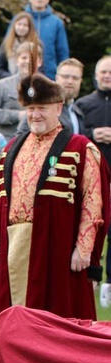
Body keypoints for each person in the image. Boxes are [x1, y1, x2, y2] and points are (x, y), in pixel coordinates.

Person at [0, 73, 109, 321]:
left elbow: (94, 203)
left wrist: (84, 250)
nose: (35, 115)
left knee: (56, 322)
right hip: (11, 249)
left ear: (58, 107)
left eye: (42, 108)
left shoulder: (81, 148)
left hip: (57, 250)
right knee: (11, 321)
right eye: (30, 109)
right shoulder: (11, 148)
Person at [76, 55, 111, 306]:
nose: (107, 76)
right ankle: (93, 279)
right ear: (95, 75)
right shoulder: (83, 104)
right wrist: (93, 134)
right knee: (94, 229)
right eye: (103, 72)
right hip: (92, 179)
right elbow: (74, 135)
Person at [14, 55, 85, 138]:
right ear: (57, 78)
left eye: (75, 78)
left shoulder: (78, 112)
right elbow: (19, 139)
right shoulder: (43, 107)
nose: (70, 81)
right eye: (65, 76)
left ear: (80, 81)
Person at [0, 42, 41, 140]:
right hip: (7, 142)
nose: (27, 61)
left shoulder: (48, 88)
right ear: (17, 60)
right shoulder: (2, 85)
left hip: (38, 142)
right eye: (24, 58)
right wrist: (16, 116)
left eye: (32, 58)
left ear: (40, 62)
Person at [24, 0, 68, 81]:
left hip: (49, 77)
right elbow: (8, 48)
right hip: (23, 76)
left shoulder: (56, 23)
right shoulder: (20, 20)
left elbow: (63, 53)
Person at [0, 11, 39, 80]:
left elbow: (40, 67)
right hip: (9, 81)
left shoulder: (35, 45)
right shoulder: (6, 43)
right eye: (19, 24)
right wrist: (11, 78)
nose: (21, 28)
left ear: (30, 28)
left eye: (25, 25)